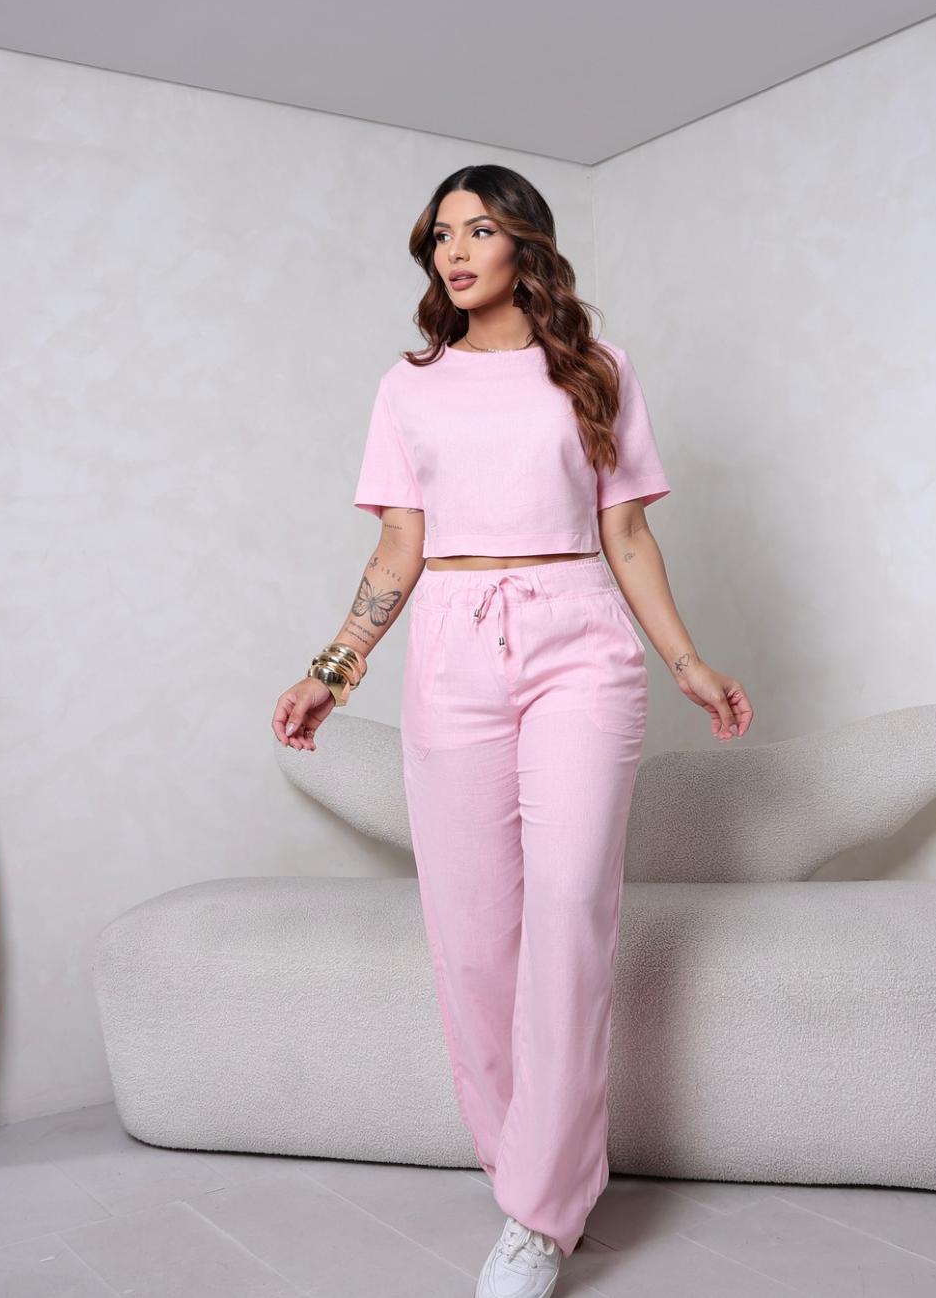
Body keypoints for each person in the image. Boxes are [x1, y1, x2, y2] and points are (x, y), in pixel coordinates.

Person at [272, 164, 753, 1298]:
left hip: (579, 638)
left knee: (572, 912)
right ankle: (528, 1176)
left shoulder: (596, 369)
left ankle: (538, 1220)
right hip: (451, 643)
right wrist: (334, 668)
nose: (454, 250)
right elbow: (398, 546)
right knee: (474, 934)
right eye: (441, 234)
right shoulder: (409, 388)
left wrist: (687, 662)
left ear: (524, 242)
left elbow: (626, 533)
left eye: (479, 228)